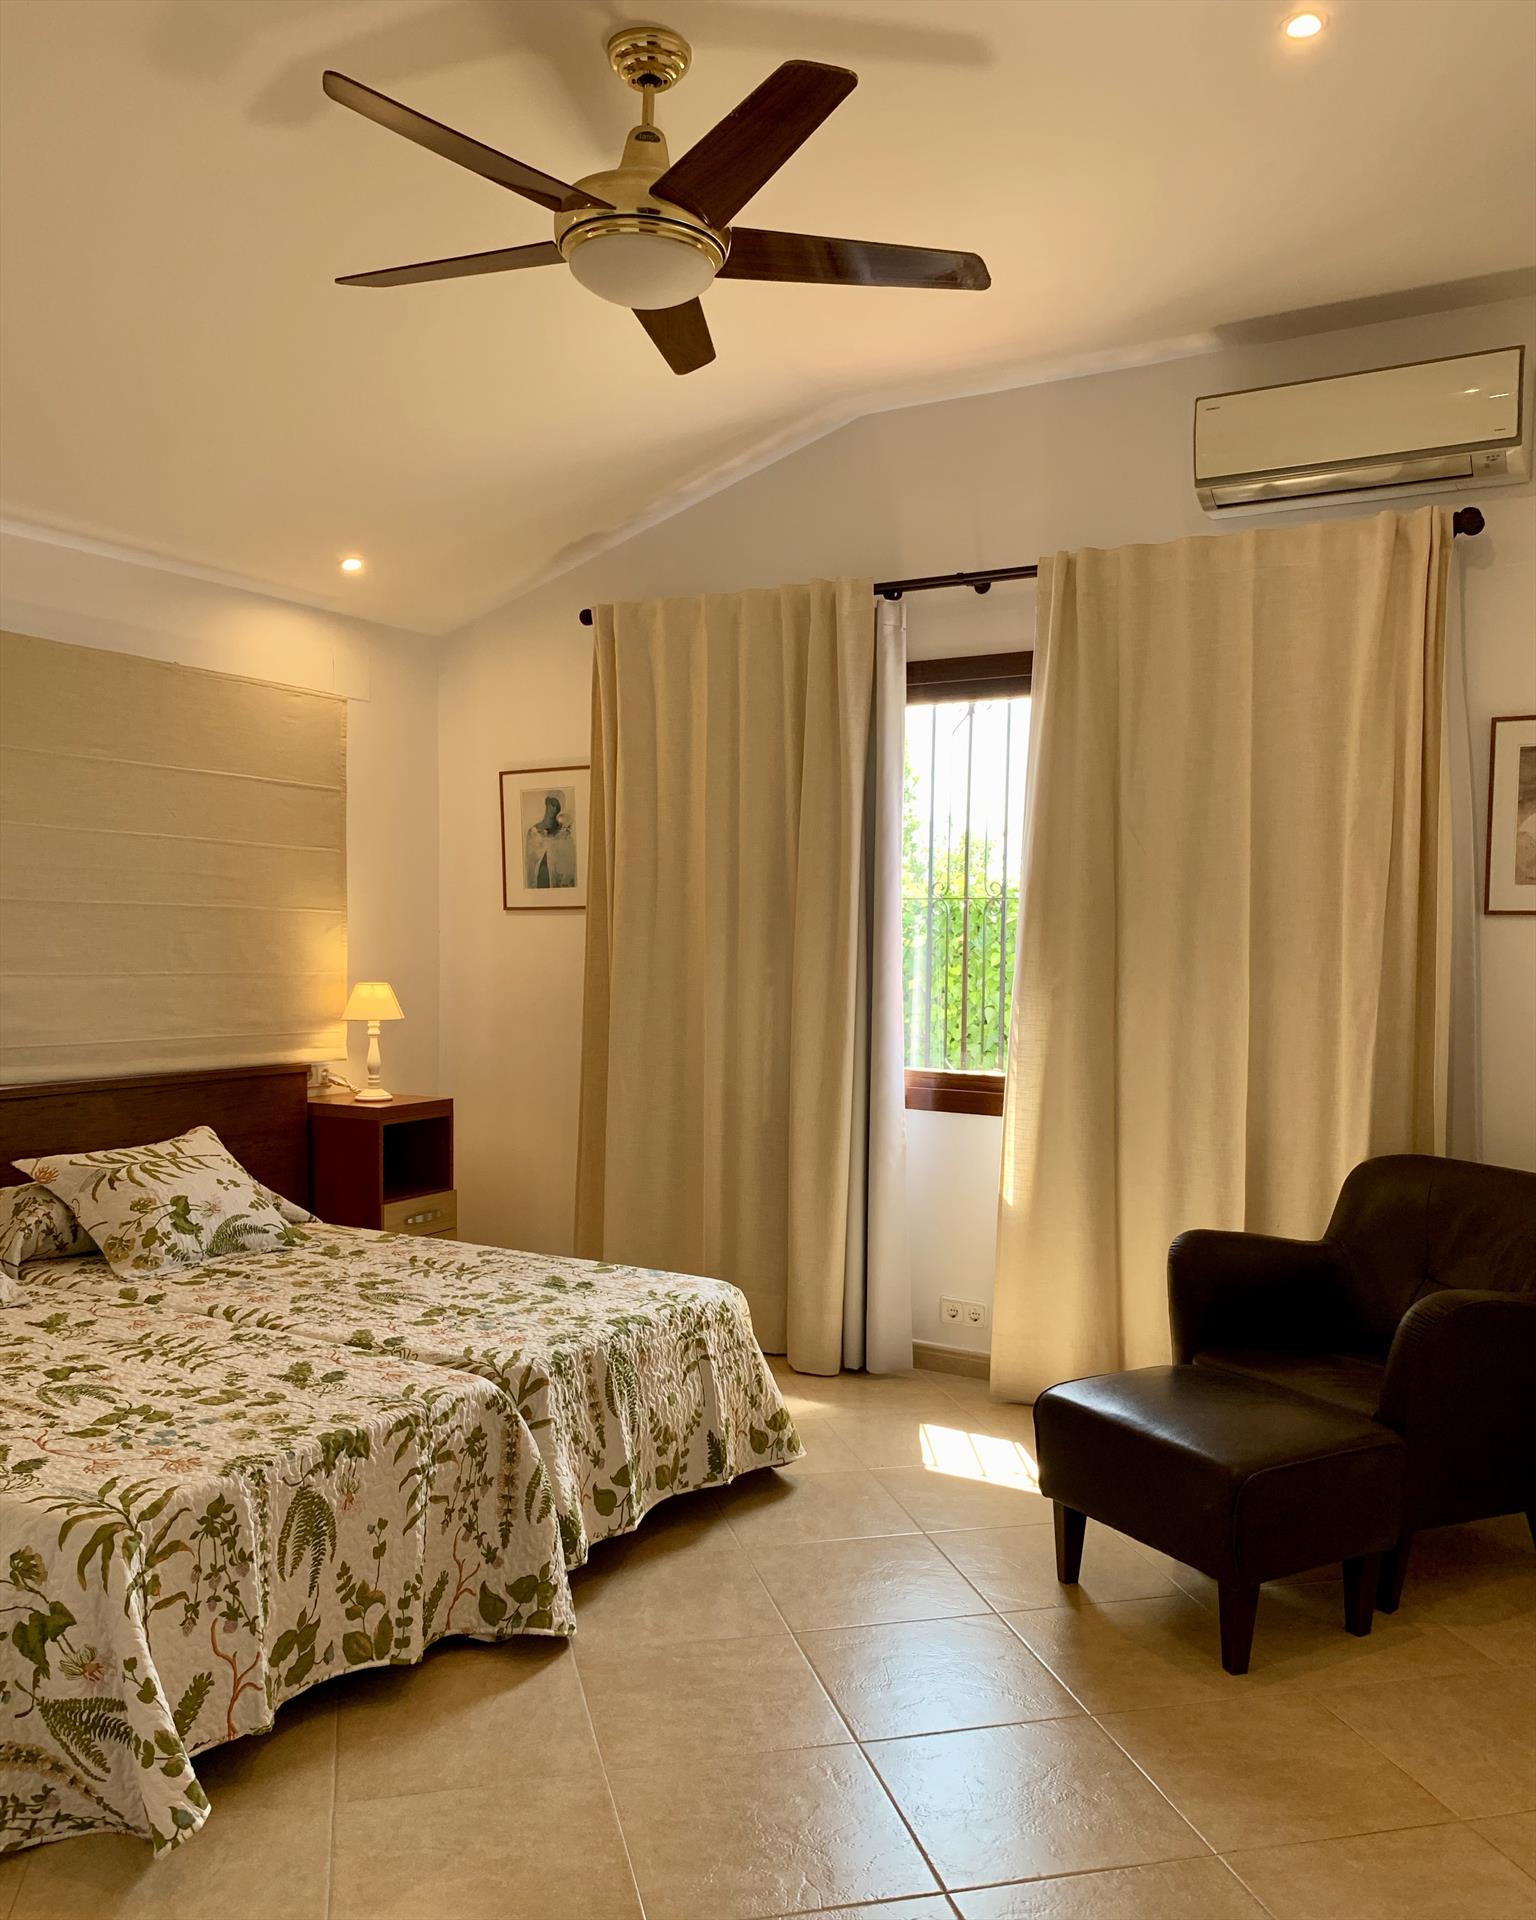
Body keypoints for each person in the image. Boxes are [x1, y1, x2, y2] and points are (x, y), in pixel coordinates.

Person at [525, 791, 576, 889]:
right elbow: (530, 867)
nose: (554, 808)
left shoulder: (564, 834)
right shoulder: (533, 833)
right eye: (553, 803)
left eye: (558, 806)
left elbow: (569, 868)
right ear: (547, 802)